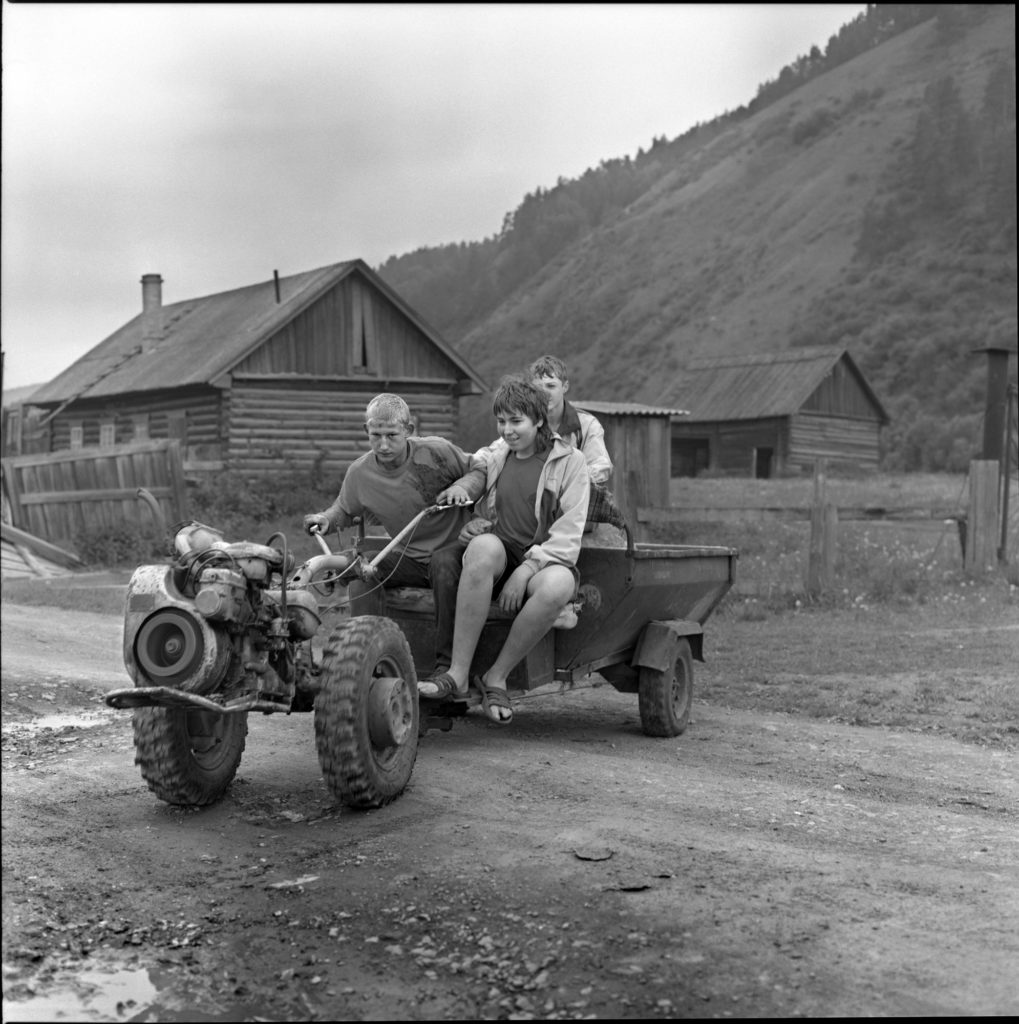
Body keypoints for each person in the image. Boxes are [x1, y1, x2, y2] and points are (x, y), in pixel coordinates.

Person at [419, 375, 590, 723]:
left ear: (539, 420)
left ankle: (496, 676)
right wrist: (473, 520)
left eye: (517, 421)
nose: (508, 430)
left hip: (544, 558)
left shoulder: (570, 462)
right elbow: (473, 477)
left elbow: (569, 533)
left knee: (558, 586)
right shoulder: (495, 455)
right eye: (502, 421)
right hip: (500, 550)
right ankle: (458, 672)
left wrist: (528, 569)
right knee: (481, 547)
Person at [303, 393, 482, 678]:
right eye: (376, 435)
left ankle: (446, 668)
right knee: (365, 568)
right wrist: (326, 519)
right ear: (367, 431)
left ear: (408, 431)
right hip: (410, 559)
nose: (383, 444)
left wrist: (464, 487)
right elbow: (344, 510)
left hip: (457, 552)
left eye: (392, 435)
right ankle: (363, 654)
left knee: (443, 564)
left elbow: (479, 469)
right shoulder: (360, 472)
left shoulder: (437, 451)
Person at [527, 354, 612, 485]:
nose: (544, 393)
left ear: (565, 387)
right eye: (538, 387)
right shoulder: (526, 423)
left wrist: (561, 479)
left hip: (575, 502)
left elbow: (602, 467)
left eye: (551, 386)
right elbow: (497, 450)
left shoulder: (586, 425)